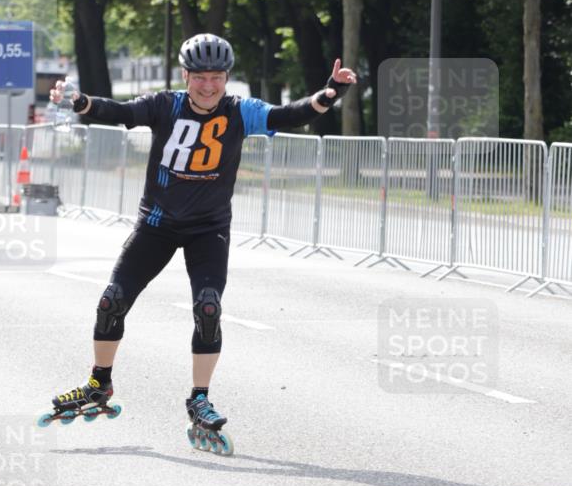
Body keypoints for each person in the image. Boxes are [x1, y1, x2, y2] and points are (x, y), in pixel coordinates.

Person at [47, 33, 356, 442]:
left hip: (208, 228)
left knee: (208, 308)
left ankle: (199, 398)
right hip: (156, 225)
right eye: (200, 77)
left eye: (217, 77)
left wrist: (330, 93)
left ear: (226, 77)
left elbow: (289, 115)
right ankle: (99, 382)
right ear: (185, 75)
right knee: (111, 301)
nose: (208, 86)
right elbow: (121, 111)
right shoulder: (166, 105)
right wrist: (81, 101)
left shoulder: (240, 111)